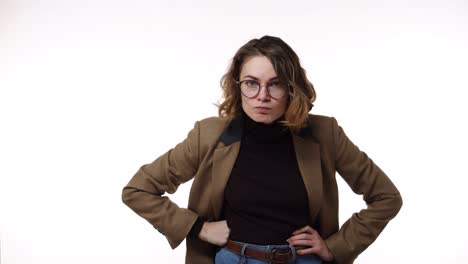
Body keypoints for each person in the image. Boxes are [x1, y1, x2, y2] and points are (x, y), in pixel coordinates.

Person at [122, 35, 402, 264]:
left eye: (275, 84)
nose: (262, 96)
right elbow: (138, 190)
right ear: (238, 86)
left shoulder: (325, 134)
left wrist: (336, 247)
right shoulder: (209, 135)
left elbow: (386, 197)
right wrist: (198, 227)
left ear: (292, 88)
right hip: (232, 259)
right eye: (251, 84)